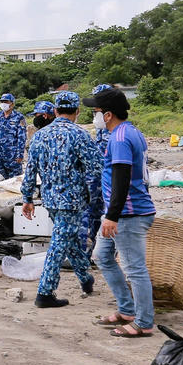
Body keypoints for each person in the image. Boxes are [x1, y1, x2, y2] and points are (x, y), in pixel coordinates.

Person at [82, 86, 157, 337]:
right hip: (120, 212)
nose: (94, 117)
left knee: (134, 268)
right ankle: (127, 310)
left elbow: (121, 179)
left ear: (108, 115)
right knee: (102, 257)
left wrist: (112, 215)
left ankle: (144, 323)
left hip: (128, 213)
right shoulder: (130, 131)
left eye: (96, 112)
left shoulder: (120, 137)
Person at [20, 92, 103, 308]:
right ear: (77, 112)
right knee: (59, 244)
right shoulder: (80, 135)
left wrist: (27, 197)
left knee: (69, 240)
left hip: (50, 199)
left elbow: (30, 170)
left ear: (55, 111)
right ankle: (45, 293)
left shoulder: (39, 135)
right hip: (72, 200)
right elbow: (96, 168)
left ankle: (86, 279)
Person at [80, 84, 114, 256]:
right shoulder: (101, 131)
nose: (95, 115)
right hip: (95, 183)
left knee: (107, 218)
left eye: (97, 111)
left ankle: (107, 254)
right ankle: (87, 253)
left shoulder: (117, 134)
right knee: (92, 215)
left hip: (109, 185)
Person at [0, 93, 26, 178]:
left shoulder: (19, 117)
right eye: (2, 101)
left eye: (6, 101)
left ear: (12, 103)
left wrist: (20, 155)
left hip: (13, 157)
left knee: (14, 182)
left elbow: (21, 137)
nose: (3, 104)